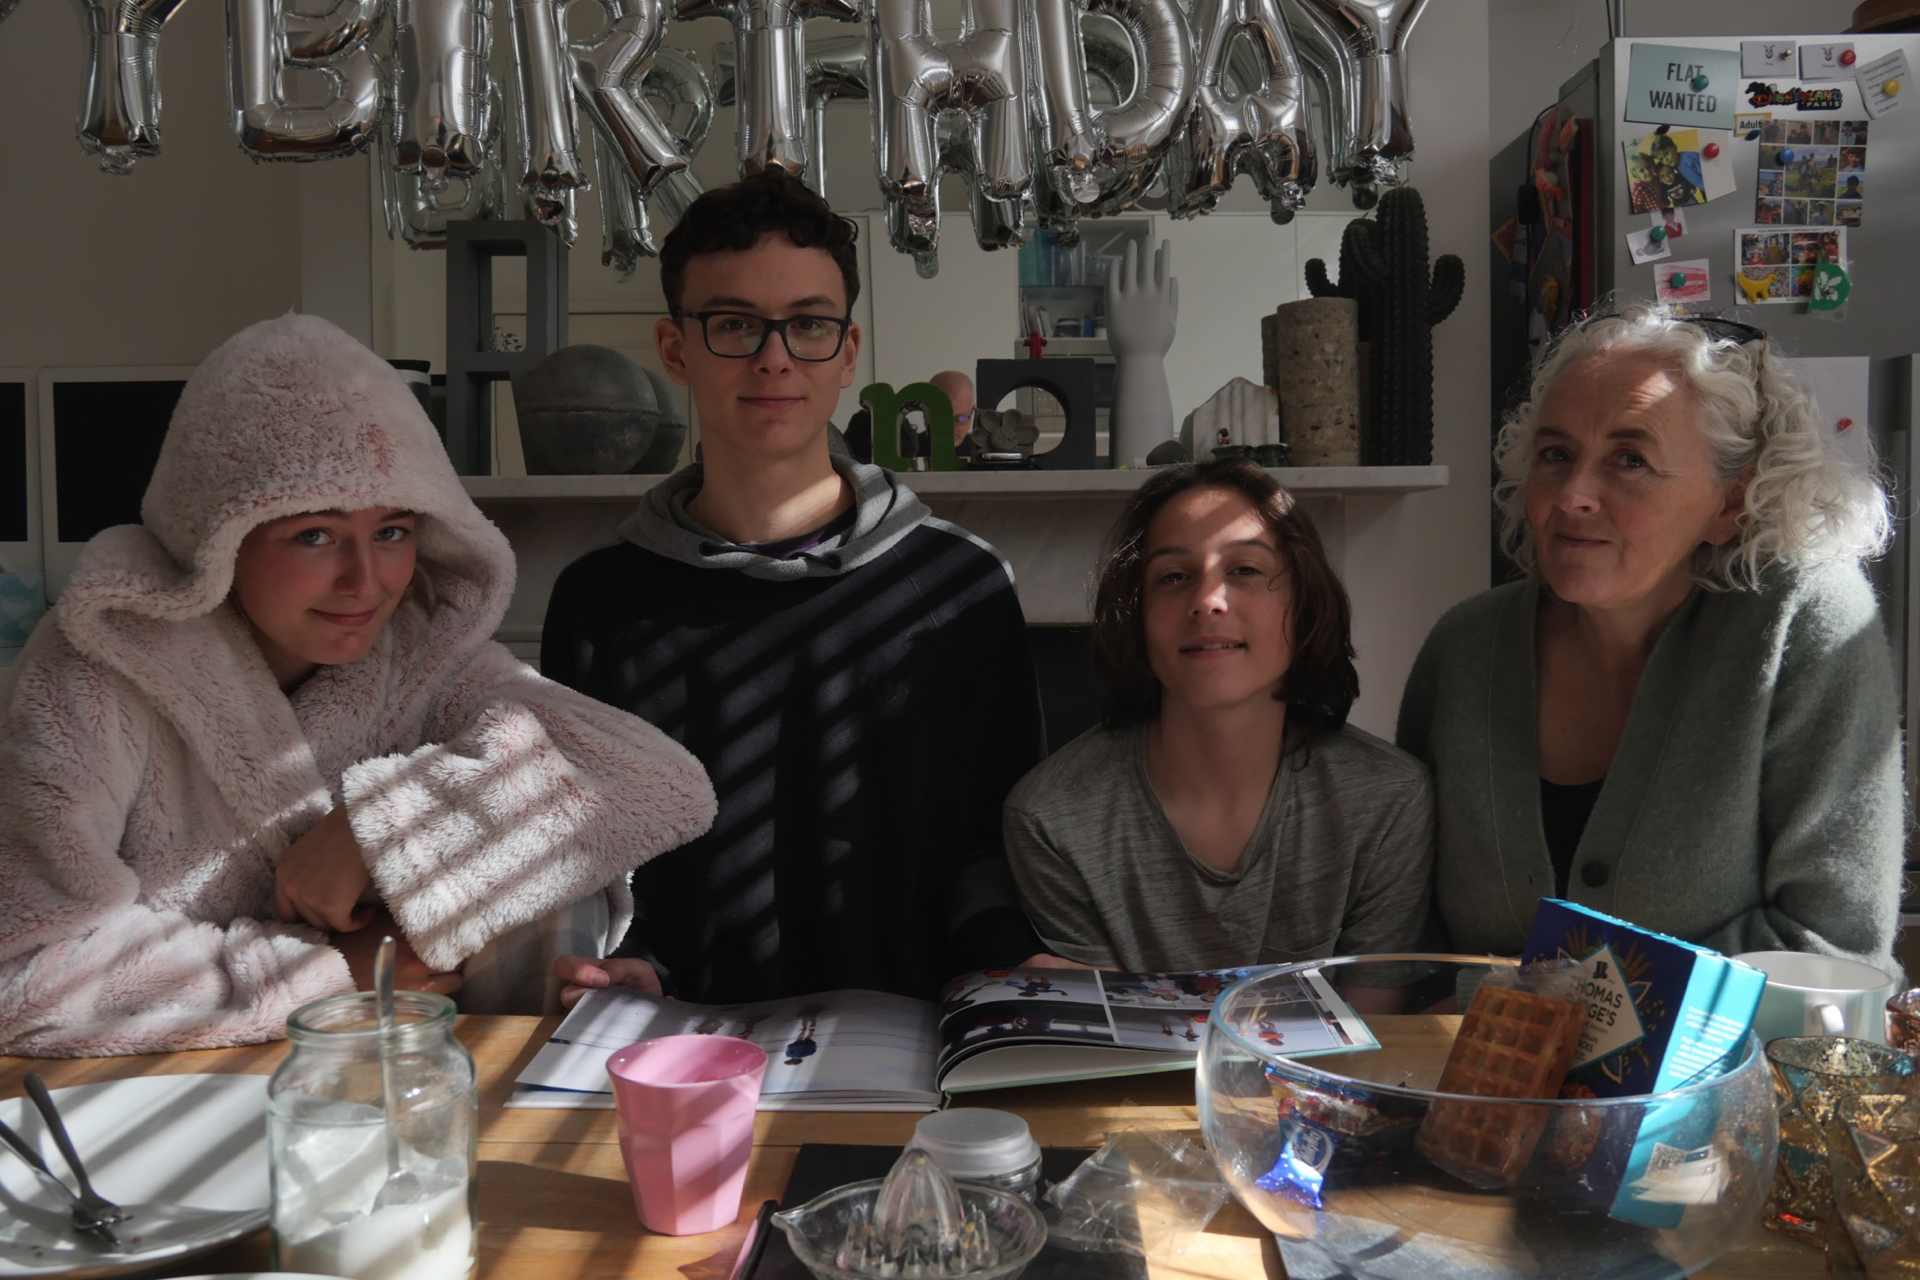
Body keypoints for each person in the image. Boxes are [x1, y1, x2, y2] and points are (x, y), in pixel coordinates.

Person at [0, 314, 718, 1057]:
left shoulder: (420, 652)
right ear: (216, 536)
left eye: (392, 532)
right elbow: (25, 968)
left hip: (410, 1078)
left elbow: (660, 781)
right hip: (166, 1086)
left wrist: (377, 832)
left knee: (550, 867)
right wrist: (333, 970)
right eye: (315, 535)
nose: (366, 582)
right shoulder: (96, 667)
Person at [542, 169, 1045, 1006]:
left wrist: (1012, 965)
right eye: (735, 324)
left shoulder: (959, 588)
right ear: (675, 349)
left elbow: (995, 849)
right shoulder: (599, 605)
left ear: (847, 353)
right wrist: (637, 961)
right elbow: (594, 858)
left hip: (916, 1037)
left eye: (808, 324)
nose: (773, 357)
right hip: (679, 1040)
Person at [1398, 305, 1900, 971]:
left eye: (1630, 460)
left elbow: (1833, 948)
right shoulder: (1465, 649)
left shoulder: (1805, 621)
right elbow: (1404, 933)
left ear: (1732, 502)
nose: (1572, 495)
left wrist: (1536, 1013)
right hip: (1457, 1047)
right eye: (1555, 455)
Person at [1002, 460, 1434, 1004]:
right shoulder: (1050, 818)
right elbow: (1112, 1040)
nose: (1207, 600)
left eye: (1245, 569)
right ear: (1137, 615)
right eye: (1173, 577)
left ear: (1304, 604)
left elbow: (1374, 1035)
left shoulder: (1389, 803)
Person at [844, 368, 976, 462]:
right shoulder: (903, 448)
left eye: (960, 419)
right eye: (940, 417)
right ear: (923, 410)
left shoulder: (982, 453)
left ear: (973, 411)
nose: (949, 428)